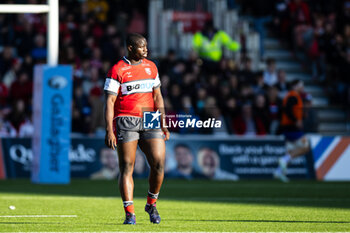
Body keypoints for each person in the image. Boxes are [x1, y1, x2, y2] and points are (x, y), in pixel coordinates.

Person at [104, 33, 170, 225]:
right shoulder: (117, 69)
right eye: (141, 47)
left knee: (158, 163)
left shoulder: (151, 66)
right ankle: (129, 213)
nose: (146, 50)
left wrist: (163, 122)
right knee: (127, 167)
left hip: (150, 118)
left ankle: (151, 204)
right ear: (131, 48)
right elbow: (109, 101)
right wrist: (109, 130)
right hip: (126, 119)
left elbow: (158, 96)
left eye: (146, 46)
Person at [274, 79, 310, 182]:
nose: (302, 87)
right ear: (295, 86)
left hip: (287, 127)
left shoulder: (290, 96)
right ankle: (284, 160)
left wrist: (301, 116)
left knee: (290, 151)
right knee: (305, 147)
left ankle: (278, 172)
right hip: (292, 127)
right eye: (301, 85)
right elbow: (288, 110)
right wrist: (296, 121)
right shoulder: (293, 96)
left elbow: (288, 110)